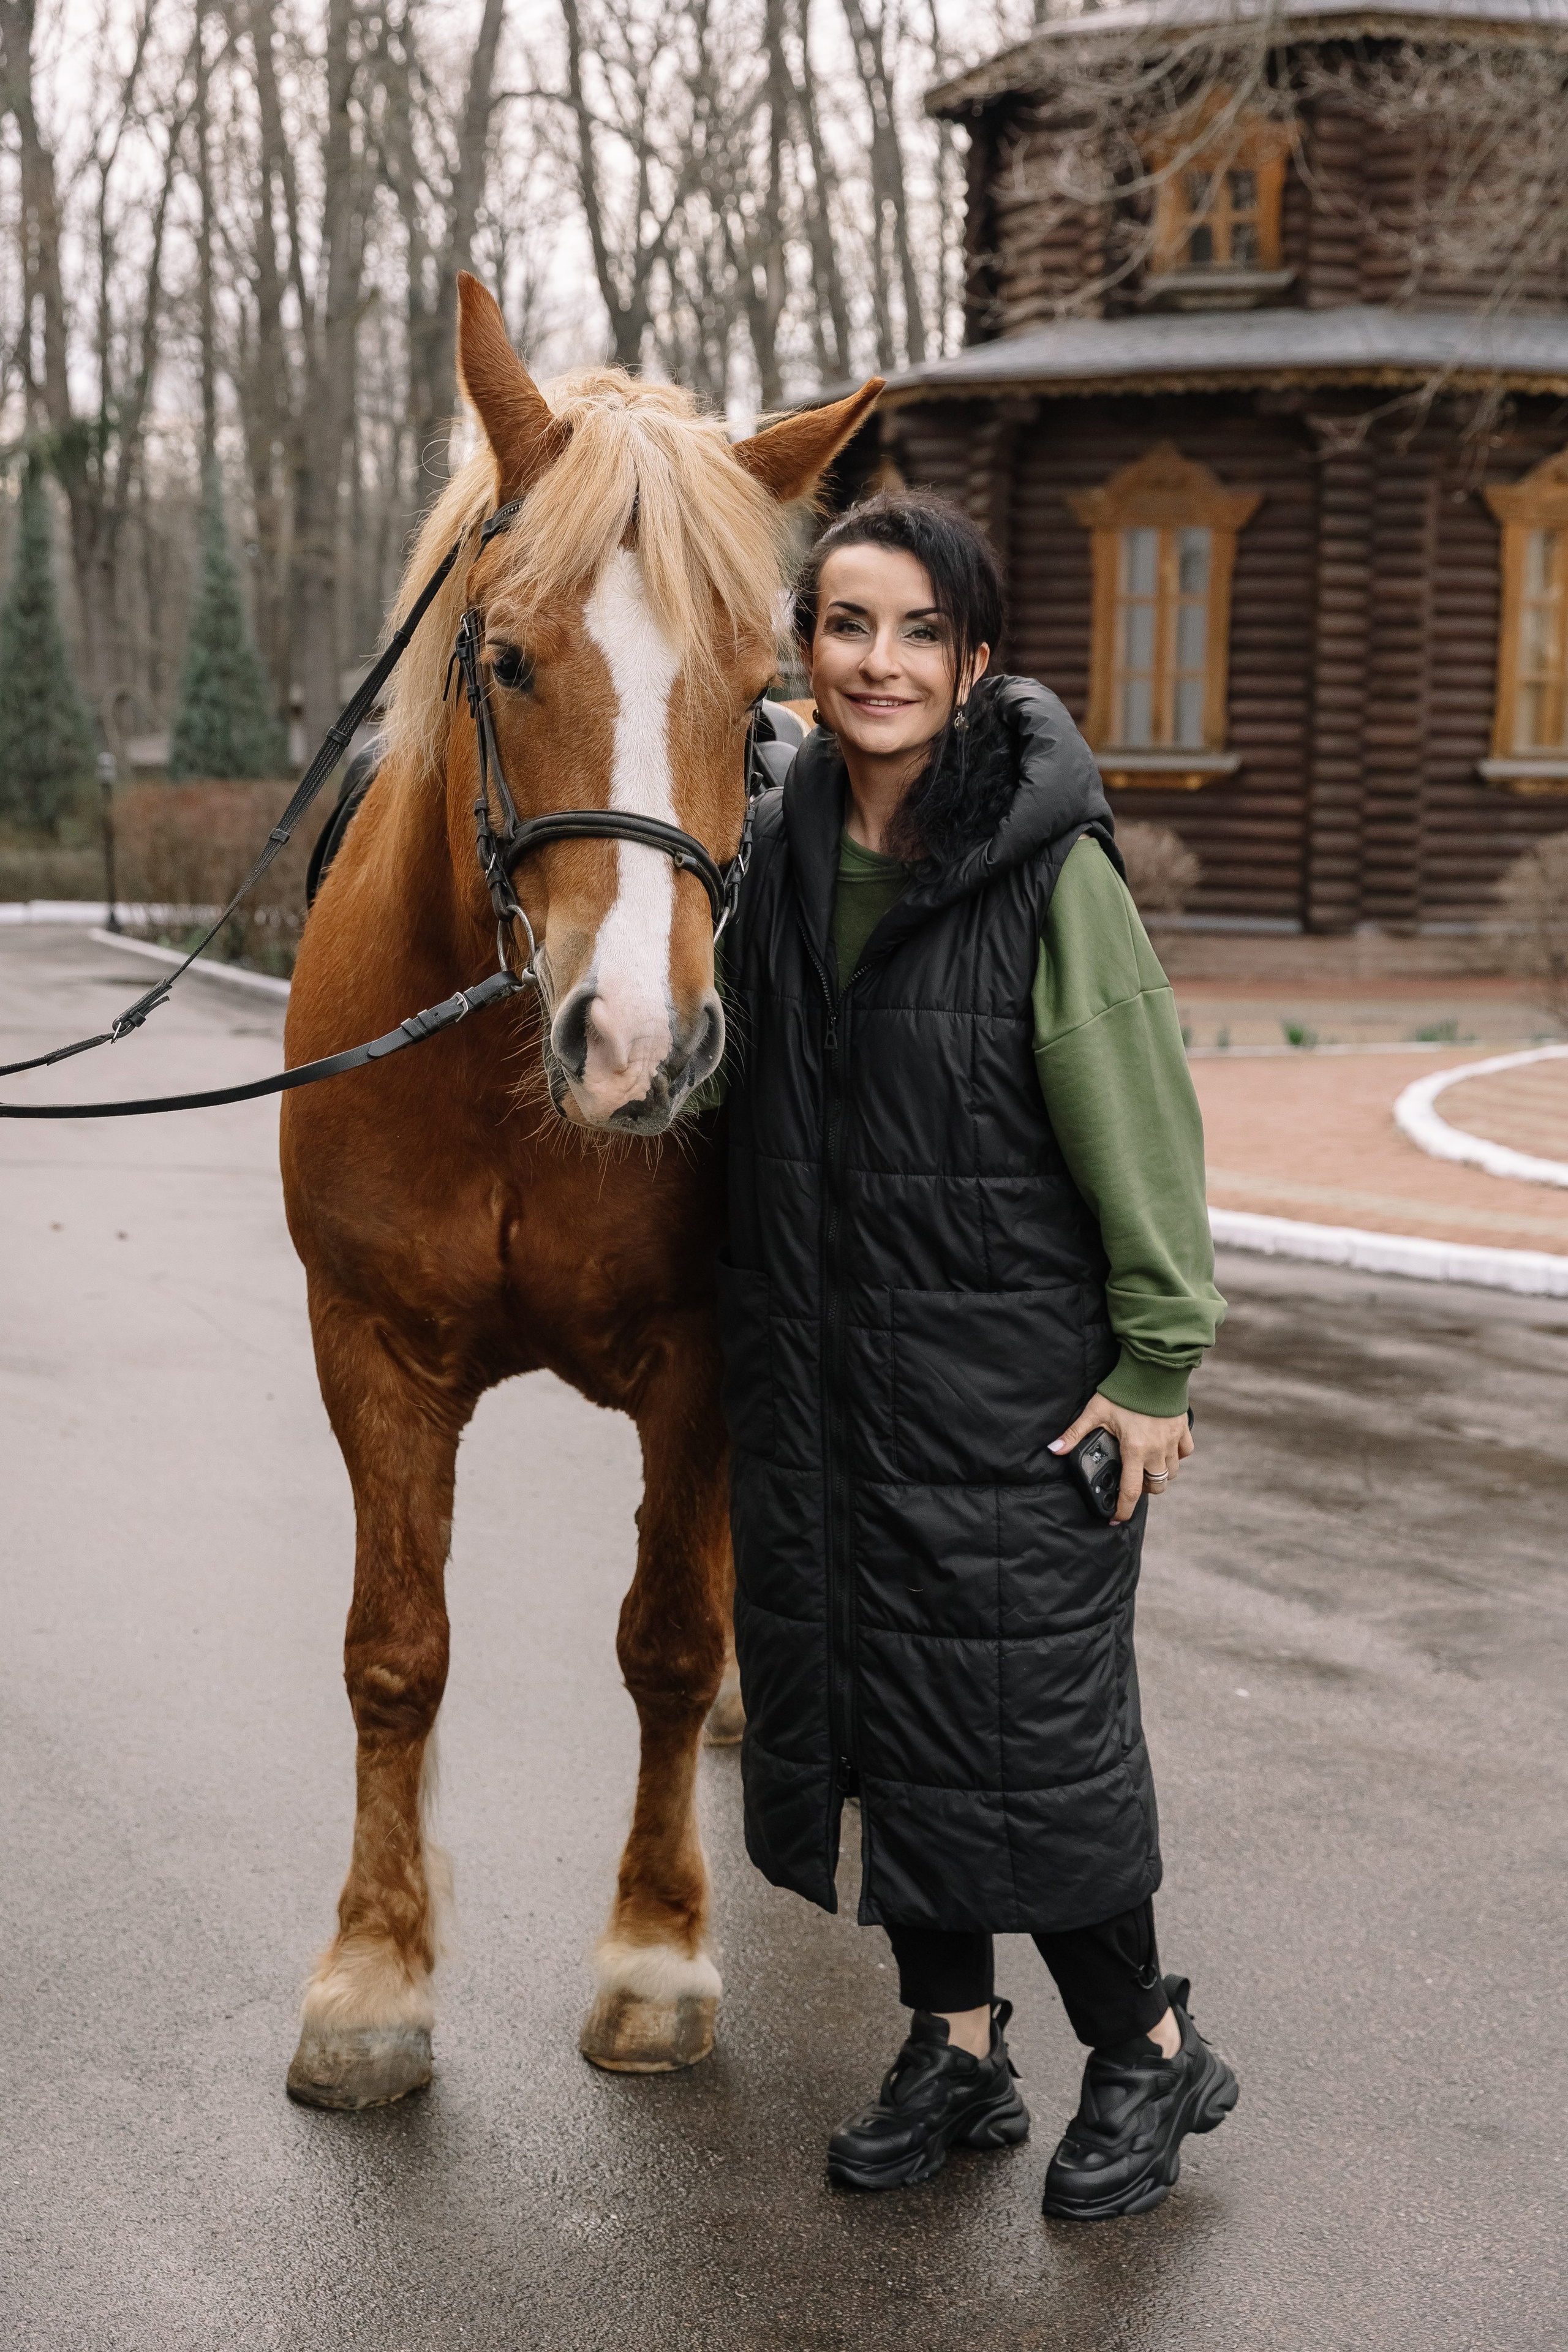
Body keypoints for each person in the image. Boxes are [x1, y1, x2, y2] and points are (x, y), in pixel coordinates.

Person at [713, 489, 1236, 2220]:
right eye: (850, 625)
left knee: (1031, 1744)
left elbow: (1143, 1132)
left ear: (978, 660)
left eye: (921, 630)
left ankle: (1151, 2054)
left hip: (1014, 1401)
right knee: (878, 1727)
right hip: (826, 1397)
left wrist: (1157, 1367)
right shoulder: (776, 860)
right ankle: (957, 2043)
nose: (882, 662)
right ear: (808, 653)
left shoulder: (1049, 873)